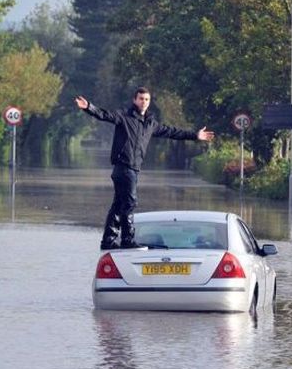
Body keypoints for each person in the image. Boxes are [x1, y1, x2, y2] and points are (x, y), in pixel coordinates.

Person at [75, 87, 215, 250]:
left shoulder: (150, 123)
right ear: (135, 100)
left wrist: (195, 136)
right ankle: (127, 240)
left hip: (133, 169)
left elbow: (172, 132)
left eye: (147, 99)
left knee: (119, 204)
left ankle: (108, 241)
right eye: (141, 99)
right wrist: (89, 107)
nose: (144, 102)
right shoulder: (124, 117)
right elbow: (105, 115)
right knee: (129, 202)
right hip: (123, 167)